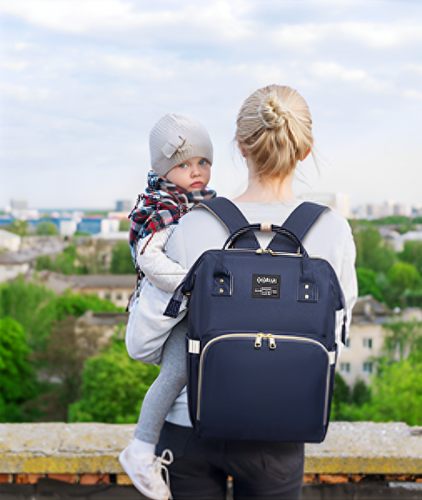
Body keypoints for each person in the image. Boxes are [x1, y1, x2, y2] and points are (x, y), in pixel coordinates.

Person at [152, 84, 358, 499]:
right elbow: (337, 335)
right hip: (279, 430)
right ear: (304, 149)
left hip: (188, 426)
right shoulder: (332, 231)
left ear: (240, 145)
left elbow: (148, 341)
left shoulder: (194, 225)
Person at [119, 113, 216, 500]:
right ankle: (141, 450)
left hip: (190, 306)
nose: (195, 172)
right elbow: (149, 260)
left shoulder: (202, 200)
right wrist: (197, 285)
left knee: (193, 373)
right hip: (175, 307)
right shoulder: (160, 203)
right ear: (164, 169)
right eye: (183, 164)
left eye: (203, 162)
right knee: (175, 373)